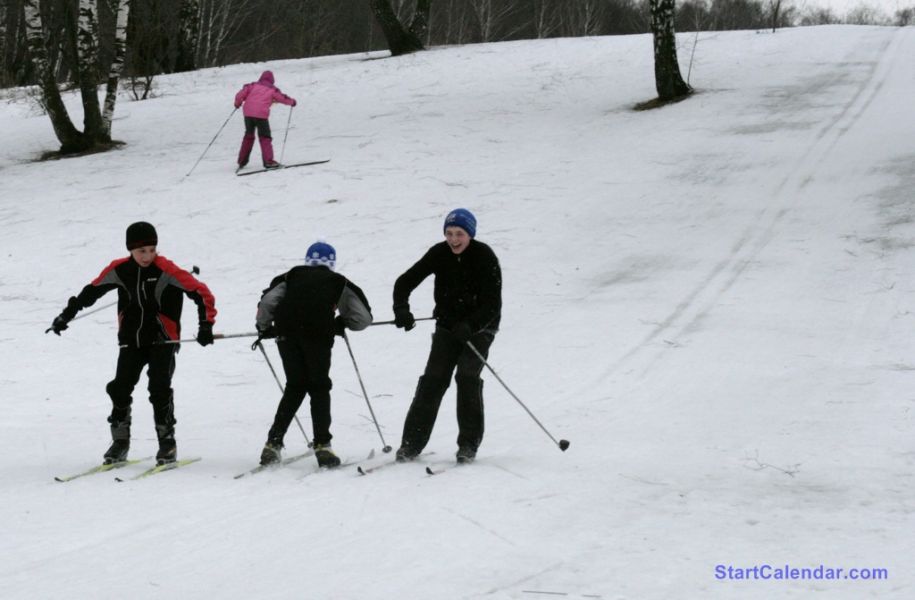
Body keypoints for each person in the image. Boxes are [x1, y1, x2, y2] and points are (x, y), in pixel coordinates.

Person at [48, 222, 217, 465]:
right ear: (130, 250)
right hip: (131, 341)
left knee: (159, 389)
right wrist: (66, 315)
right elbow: (90, 292)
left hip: (162, 340)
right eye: (141, 251)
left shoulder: (166, 269)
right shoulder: (119, 270)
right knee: (119, 388)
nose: (148, 256)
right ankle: (120, 442)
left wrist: (205, 326)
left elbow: (201, 293)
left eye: (151, 249)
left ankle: (167, 442)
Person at [392, 208, 502, 464]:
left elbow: (492, 304)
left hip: (481, 328)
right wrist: (401, 309)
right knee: (433, 379)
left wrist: (472, 324)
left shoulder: (484, 256)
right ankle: (411, 444)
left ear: (470, 234)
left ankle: (468, 444)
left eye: (459, 234)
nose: (453, 239)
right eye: (449, 233)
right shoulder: (439, 253)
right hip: (448, 326)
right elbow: (405, 281)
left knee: (466, 375)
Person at [254, 241, 373, 468]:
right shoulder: (338, 281)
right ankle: (322, 446)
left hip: (286, 334)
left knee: (295, 386)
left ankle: (273, 443)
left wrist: (264, 328)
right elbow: (363, 319)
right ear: (332, 264)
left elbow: (268, 301)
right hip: (318, 334)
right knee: (319, 387)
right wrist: (340, 323)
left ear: (308, 261)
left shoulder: (291, 275)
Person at [234, 70, 297, 170]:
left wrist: (237, 104)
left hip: (248, 114)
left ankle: (242, 161)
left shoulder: (252, 85)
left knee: (248, 136)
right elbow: (282, 98)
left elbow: (239, 95)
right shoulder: (272, 89)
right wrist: (292, 102)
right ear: (272, 80)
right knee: (265, 137)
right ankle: (268, 161)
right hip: (261, 115)